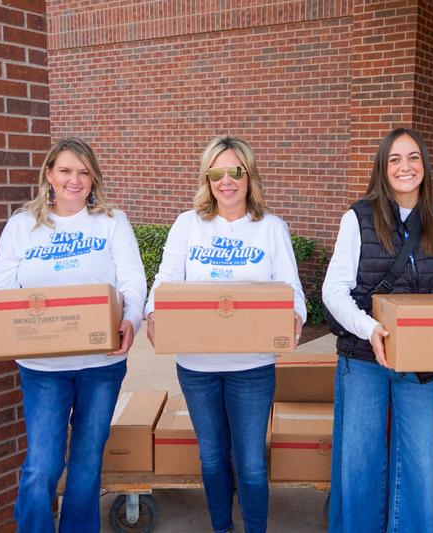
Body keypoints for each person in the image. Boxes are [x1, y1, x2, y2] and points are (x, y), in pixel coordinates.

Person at [0, 138, 147, 532]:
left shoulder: (111, 222)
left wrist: (133, 319)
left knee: (87, 464)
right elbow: (0, 286)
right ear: (50, 175)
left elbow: (133, 280)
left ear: (93, 179)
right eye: (66, 171)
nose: (75, 180)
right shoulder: (23, 225)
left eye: (83, 172)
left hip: (101, 363)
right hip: (42, 367)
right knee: (43, 466)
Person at [144, 135, 306, 533]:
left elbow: (292, 288)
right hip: (197, 366)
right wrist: (152, 311)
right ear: (207, 178)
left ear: (249, 175)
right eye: (217, 172)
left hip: (252, 366)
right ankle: (221, 528)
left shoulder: (271, 228)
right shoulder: (188, 225)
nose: (226, 181)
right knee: (213, 457)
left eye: (235, 171)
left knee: (250, 461)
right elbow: (165, 278)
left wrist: (296, 316)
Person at [322, 127, 433, 532]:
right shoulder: (358, 217)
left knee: (421, 465)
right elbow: (333, 290)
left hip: (419, 365)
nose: (405, 166)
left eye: (413, 157)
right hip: (363, 357)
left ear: (425, 166)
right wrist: (370, 329)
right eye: (395, 158)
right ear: (382, 168)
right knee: (360, 461)